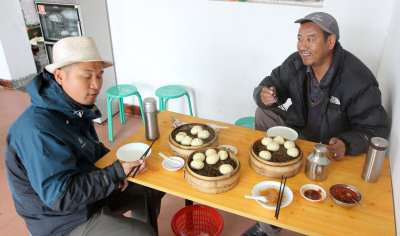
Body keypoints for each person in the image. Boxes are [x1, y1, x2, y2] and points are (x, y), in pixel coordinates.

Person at [246, 12, 389, 236]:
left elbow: (375, 129)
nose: (303, 45)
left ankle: (293, 217)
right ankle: (273, 180)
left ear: (331, 41)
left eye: (311, 39)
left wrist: (347, 143)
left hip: (328, 145)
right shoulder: (297, 62)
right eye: (300, 38)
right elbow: (273, 82)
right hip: (300, 129)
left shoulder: (357, 79)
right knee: (263, 112)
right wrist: (264, 93)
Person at [5, 36, 161, 236]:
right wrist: (114, 174)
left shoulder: (74, 107)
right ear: (60, 77)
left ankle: (122, 226)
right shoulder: (37, 130)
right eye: (87, 76)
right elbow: (60, 197)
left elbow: (92, 149)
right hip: (61, 220)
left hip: (87, 194)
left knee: (151, 187)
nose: (96, 85)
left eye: (99, 75)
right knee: (142, 234)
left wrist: (121, 167)